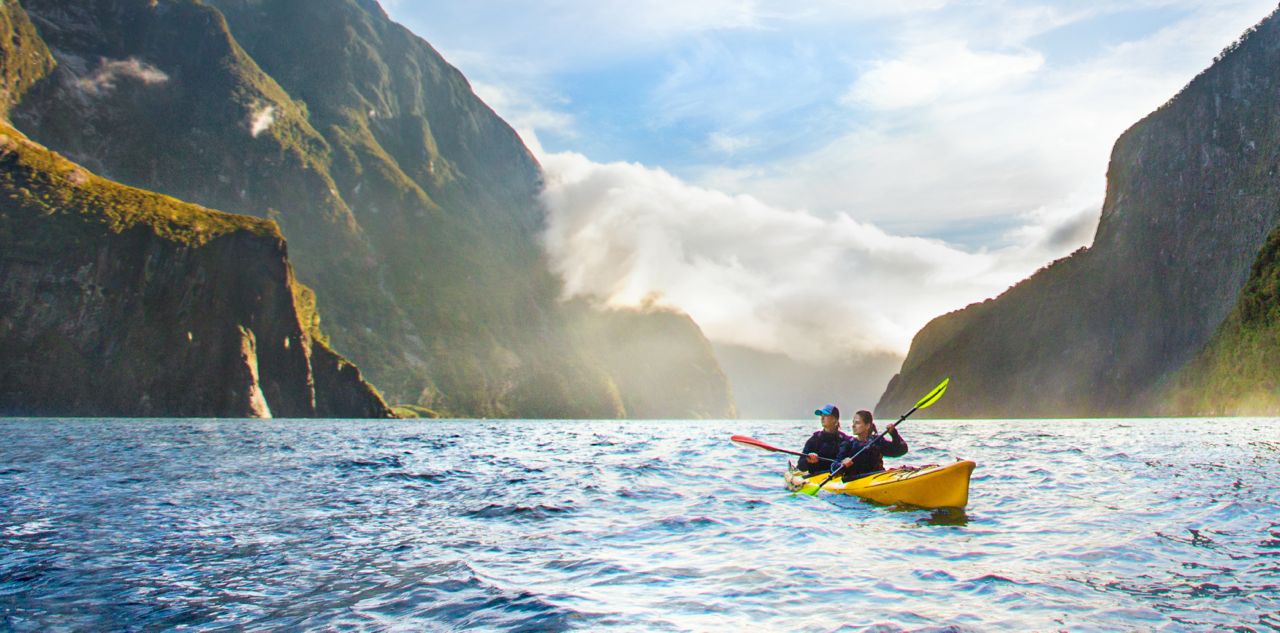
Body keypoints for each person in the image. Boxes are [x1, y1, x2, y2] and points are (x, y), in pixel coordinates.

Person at [830, 409, 907, 480]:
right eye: (853, 422)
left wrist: (894, 434)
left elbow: (901, 450)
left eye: (857, 423)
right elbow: (833, 467)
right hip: (855, 481)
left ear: (867, 426)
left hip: (877, 477)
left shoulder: (877, 441)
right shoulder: (848, 444)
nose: (853, 425)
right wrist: (842, 464)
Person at [797, 404, 849, 476]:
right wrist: (807, 460)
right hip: (815, 477)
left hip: (836, 477)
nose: (822, 418)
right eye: (821, 415)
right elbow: (800, 466)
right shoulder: (814, 440)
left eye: (826, 415)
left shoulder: (844, 440)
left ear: (835, 419)